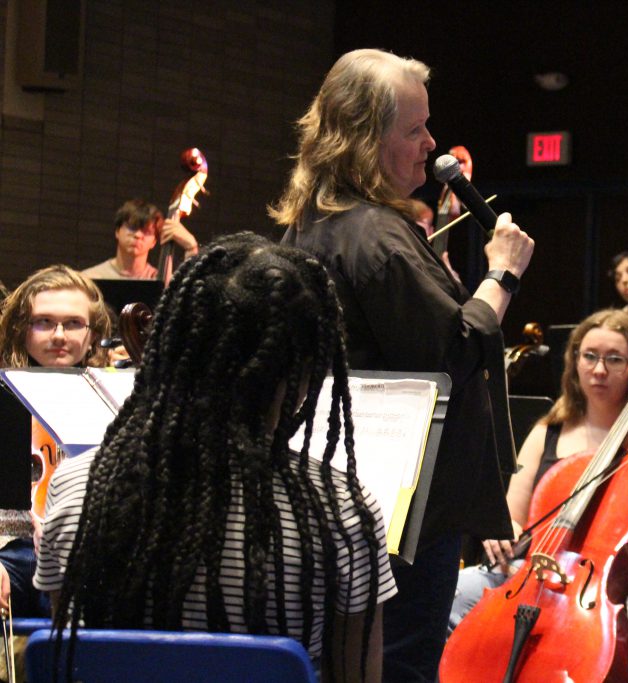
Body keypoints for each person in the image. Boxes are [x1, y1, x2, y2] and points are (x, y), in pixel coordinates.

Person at [270, 48, 534, 681]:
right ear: (365, 139)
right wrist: (502, 274)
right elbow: (454, 352)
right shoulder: (378, 236)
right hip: (402, 509)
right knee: (402, 665)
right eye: (414, 129)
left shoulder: (311, 227)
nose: (431, 144)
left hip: (337, 490)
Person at [33, 234, 396, 681]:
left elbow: (70, 663)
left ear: (168, 344)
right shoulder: (339, 510)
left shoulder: (76, 487)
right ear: (304, 374)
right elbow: (357, 675)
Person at [448, 309, 628, 683]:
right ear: (574, 362)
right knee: (453, 593)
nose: (599, 370)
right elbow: (512, 515)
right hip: (539, 567)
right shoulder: (548, 430)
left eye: (614, 359)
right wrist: (504, 531)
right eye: (589, 356)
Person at [0, 265, 112, 680]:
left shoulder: (116, 397)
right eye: (44, 322)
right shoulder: (3, 394)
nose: (59, 335)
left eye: (73, 323)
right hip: (12, 548)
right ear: (21, 329)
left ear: (92, 331)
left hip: (90, 552)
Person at [82, 198, 199, 280]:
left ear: (154, 241)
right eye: (132, 228)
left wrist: (191, 247)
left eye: (147, 232)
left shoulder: (160, 283)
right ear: (117, 231)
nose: (138, 235)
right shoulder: (90, 278)